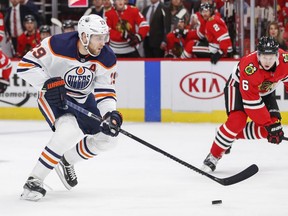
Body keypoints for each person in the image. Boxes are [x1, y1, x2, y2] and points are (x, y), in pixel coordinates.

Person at [17, 14, 123, 201]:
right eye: (98, 37)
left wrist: (110, 114)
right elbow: (25, 66)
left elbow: (105, 91)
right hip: (54, 98)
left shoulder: (107, 57)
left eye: (104, 37)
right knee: (68, 130)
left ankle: (67, 160)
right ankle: (34, 181)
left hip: (83, 99)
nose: (103, 42)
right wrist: (47, 84)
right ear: (84, 36)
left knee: (108, 139)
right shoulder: (56, 44)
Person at [201, 36, 287, 172]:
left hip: (264, 91)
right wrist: (268, 124)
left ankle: (226, 134)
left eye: (271, 57)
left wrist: (270, 126)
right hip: (237, 88)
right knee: (237, 122)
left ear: (277, 55)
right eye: (264, 57)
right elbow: (251, 104)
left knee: (271, 130)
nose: (267, 61)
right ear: (258, 54)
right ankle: (214, 156)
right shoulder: (249, 67)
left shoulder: (285, 61)